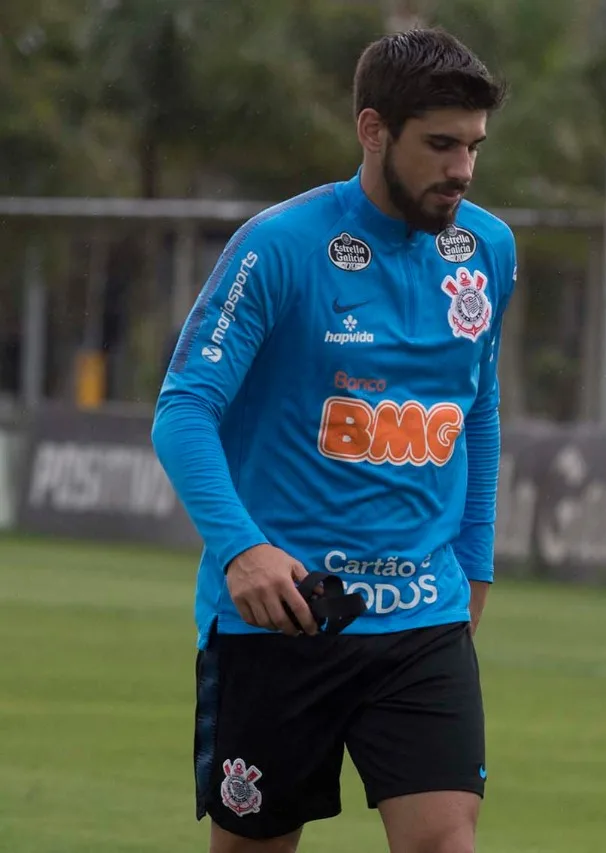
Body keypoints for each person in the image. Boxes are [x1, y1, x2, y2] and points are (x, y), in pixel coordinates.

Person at [151, 27, 514, 853]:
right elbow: (182, 411)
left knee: (443, 842)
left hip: (423, 612)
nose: (461, 168)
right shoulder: (279, 246)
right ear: (373, 129)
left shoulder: (487, 249)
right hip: (284, 617)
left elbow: (478, 409)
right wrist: (242, 550)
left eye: (474, 147)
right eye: (440, 144)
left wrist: (476, 559)